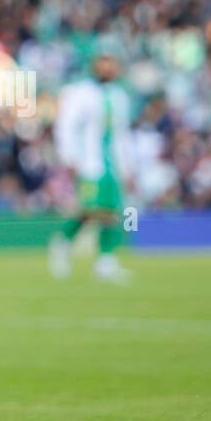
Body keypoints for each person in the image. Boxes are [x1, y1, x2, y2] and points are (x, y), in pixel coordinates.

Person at [49, 43, 135, 283]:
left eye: (111, 62)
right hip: (89, 162)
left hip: (113, 164)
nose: (108, 67)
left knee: (113, 213)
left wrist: (129, 167)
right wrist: (69, 157)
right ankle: (63, 241)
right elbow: (66, 125)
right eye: (103, 61)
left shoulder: (119, 96)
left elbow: (123, 134)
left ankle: (105, 262)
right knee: (89, 210)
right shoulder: (81, 92)